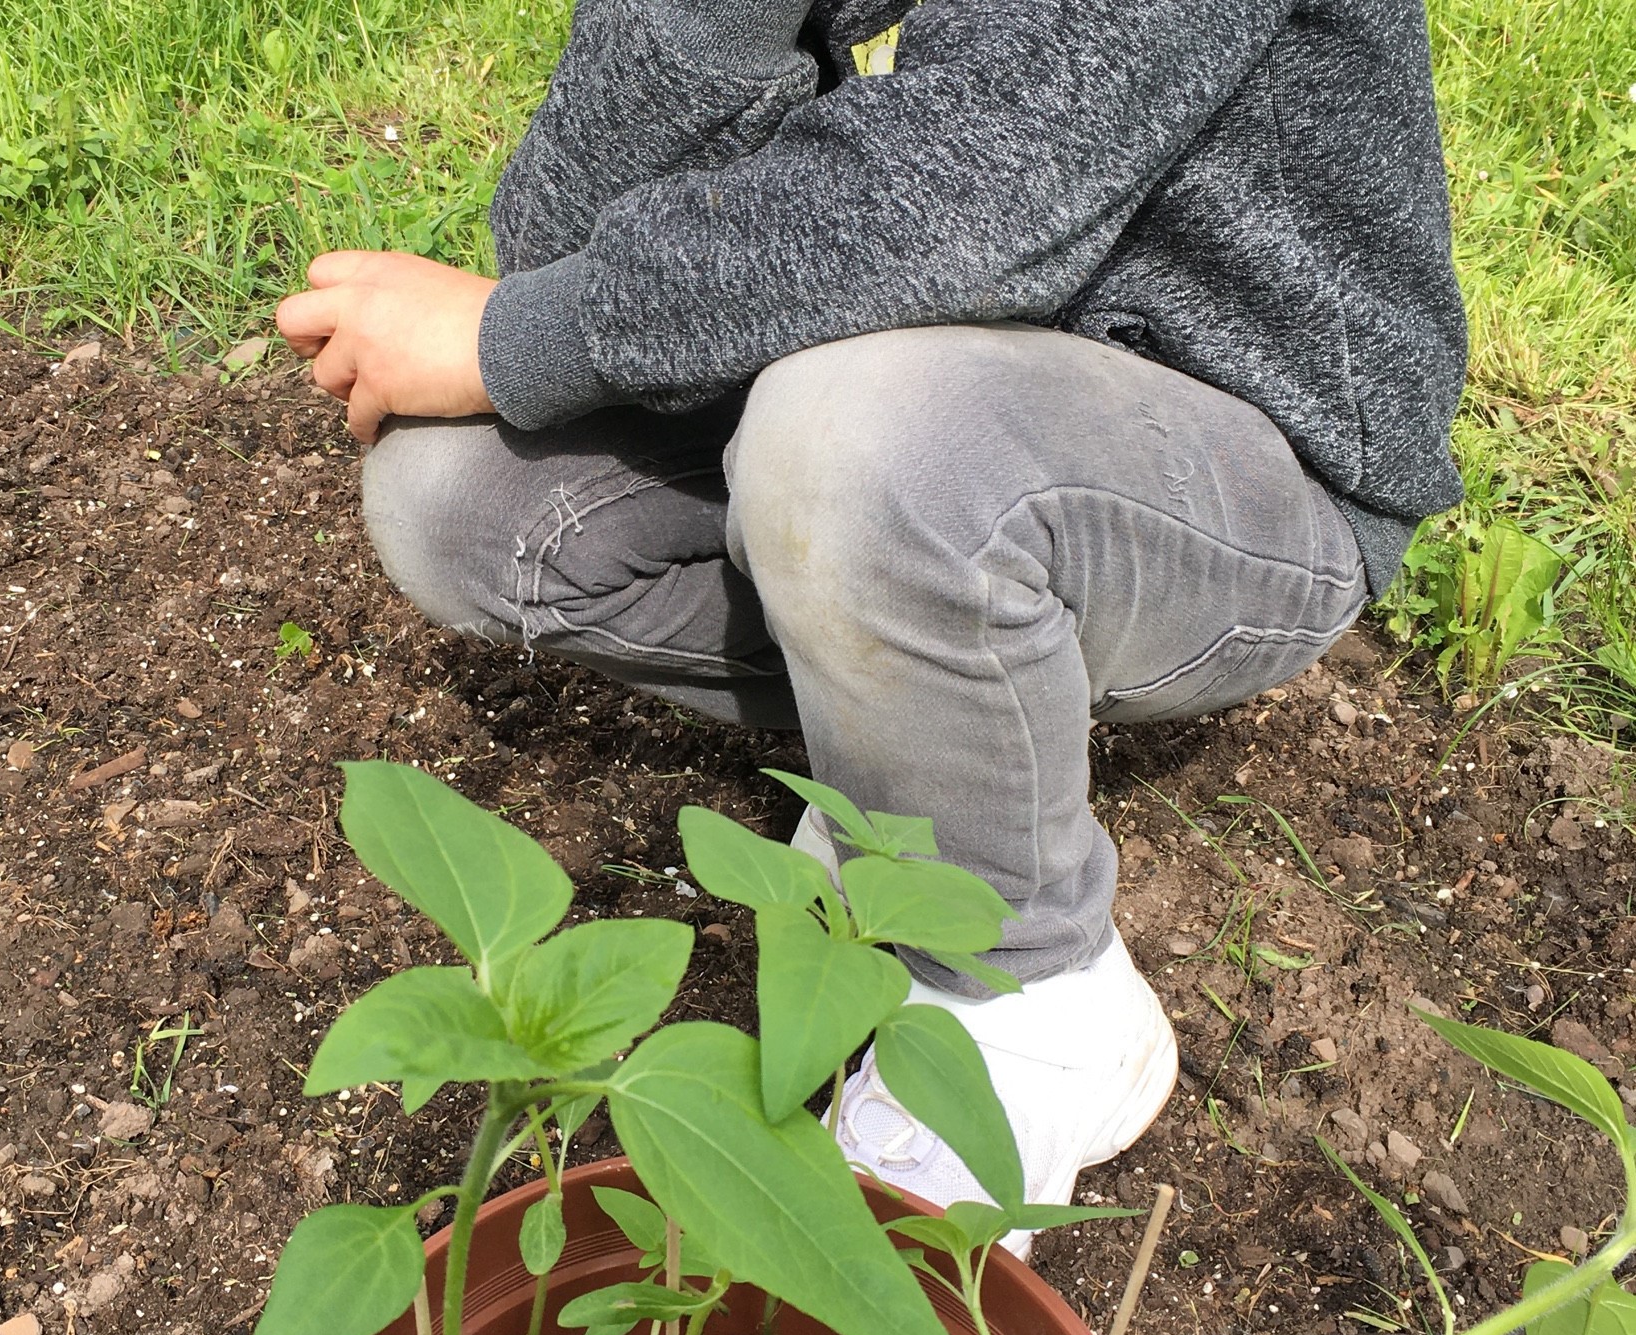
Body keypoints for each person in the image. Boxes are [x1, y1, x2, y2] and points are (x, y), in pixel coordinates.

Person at [274, 0, 1467, 1246]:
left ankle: (1036, 1002)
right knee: (462, 500)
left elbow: (979, 188)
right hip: (949, 371)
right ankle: (918, 751)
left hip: (1250, 462)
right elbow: (561, 235)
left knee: (862, 447)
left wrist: (506, 336)